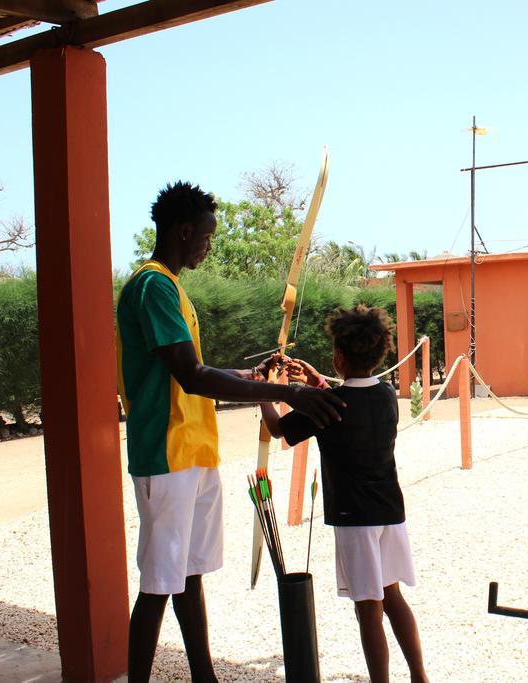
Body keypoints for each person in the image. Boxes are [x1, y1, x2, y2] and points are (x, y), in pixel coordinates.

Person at [115, 181, 345, 683]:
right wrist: (291, 395)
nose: (208, 245)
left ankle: (205, 676)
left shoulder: (172, 289)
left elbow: (194, 369)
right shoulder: (152, 286)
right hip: (167, 452)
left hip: (194, 451)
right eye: (206, 236)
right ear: (182, 231)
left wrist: (254, 378)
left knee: (188, 574)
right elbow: (192, 375)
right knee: (159, 581)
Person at [258, 305, 429, 683]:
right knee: (393, 598)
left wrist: (265, 390)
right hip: (388, 511)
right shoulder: (385, 395)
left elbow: (277, 430)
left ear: (338, 356)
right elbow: (348, 399)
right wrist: (316, 381)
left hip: (355, 518)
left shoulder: (329, 404)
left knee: (368, 609)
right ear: (378, 353)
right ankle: (420, 676)